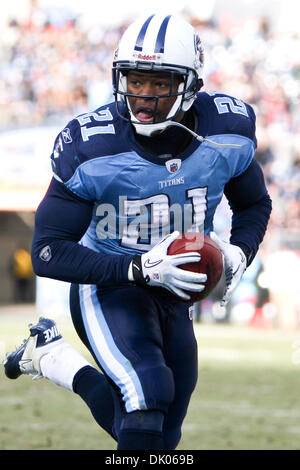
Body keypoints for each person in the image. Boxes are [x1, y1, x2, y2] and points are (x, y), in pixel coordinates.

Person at [4, 14, 272, 450]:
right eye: (133, 80)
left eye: (158, 83)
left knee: (162, 435)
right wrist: (140, 267)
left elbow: (254, 203)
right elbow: (47, 252)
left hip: (176, 290)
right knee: (148, 394)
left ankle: (53, 358)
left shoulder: (228, 132)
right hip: (110, 283)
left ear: (190, 85)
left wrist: (239, 252)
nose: (142, 96)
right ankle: (55, 357)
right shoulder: (91, 145)